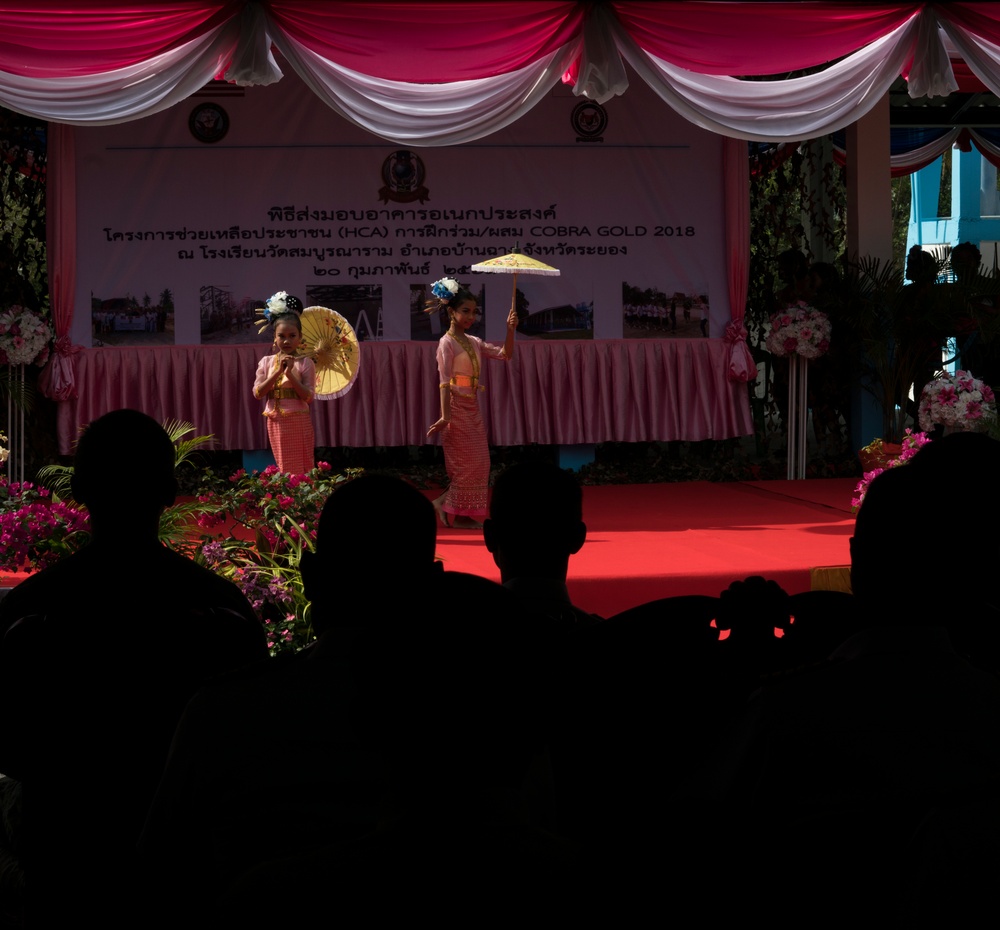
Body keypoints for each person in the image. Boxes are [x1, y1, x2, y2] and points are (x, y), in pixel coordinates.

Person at [426, 277, 517, 528]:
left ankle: (449, 506)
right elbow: (444, 383)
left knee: (480, 462)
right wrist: (445, 417)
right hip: (455, 407)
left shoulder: (474, 342)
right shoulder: (446, 343)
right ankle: (459, 513)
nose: (471, 317)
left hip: (472, 406)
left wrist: (510, 330)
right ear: (451, 312)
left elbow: (505, 355)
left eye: (474, 312)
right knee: (467, 464)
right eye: (465, 311)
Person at [253, 291, 315, 474]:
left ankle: (302, 499)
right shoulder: (266, 362)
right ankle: (286, 499)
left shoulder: (306, 362)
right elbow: (257, 393)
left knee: (303, 464)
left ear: (300, 337)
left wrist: (290, 373)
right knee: (283, 465)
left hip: (298, 419)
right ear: (275, 338)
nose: (286, 340)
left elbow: (308, 397)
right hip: (275, 420)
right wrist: (277, 372)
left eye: (292, 335)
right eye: (282, 336)